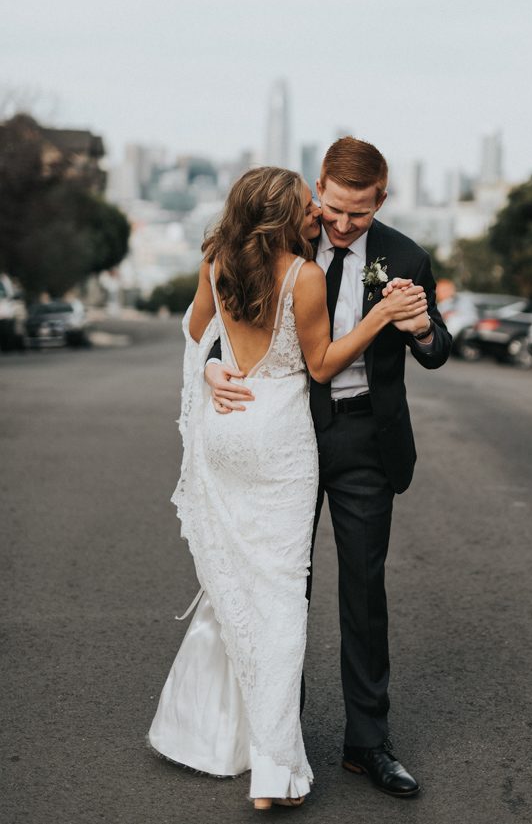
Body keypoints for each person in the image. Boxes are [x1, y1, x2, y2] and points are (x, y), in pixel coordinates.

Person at [147, 166, 427, 812]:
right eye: (311, 207)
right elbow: (322, 362)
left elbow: (197, 332)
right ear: (290, 212)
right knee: (277, 598)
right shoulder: (301, 274)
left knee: (243, 584)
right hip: (279, 439)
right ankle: (272, 761)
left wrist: (218, 365)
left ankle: (239, 732)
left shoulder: (218, 258)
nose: (320, 219)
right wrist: (383, 312)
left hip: (234, 429)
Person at [206, 138, 452, 798]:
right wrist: (209, 364)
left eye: (359, 215)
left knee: (364, 592)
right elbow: (219, 316)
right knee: (283, 590)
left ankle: (368, 744)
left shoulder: (405, 257)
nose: (341, 225)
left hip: (365, 438)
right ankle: (276, 739)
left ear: (381, 199)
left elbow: (436, 348)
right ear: (318, 187)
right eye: (334, 209)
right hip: (288, 434)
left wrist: (423, 324)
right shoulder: (283, 236)